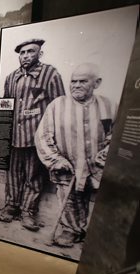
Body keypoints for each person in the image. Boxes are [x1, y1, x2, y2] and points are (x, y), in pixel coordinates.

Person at [35, 63, 117, 245]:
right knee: (69, 198)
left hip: (96, 167)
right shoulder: (57, 105)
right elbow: (42, 136)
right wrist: (55, 160)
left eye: (83, 81)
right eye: (73, 81)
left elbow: (115, 135)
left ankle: (85, 231)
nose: (76, 85)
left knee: (89, 198)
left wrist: (105, 155)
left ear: (97, 83)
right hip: (67, 165)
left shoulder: (109, 106)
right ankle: (71, 230)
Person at [0, 38, 65, 229]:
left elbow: (59, 107)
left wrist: (53, 140)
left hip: (37, 139)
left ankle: (28, 212)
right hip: (14, 137)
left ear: (39, 53)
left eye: (30, 52)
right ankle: (11, 207)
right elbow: (6, 107)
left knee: (34, 176)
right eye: (22, 53)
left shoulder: (50, 74)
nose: (25, 56)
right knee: (13, 174)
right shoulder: (11, 77)